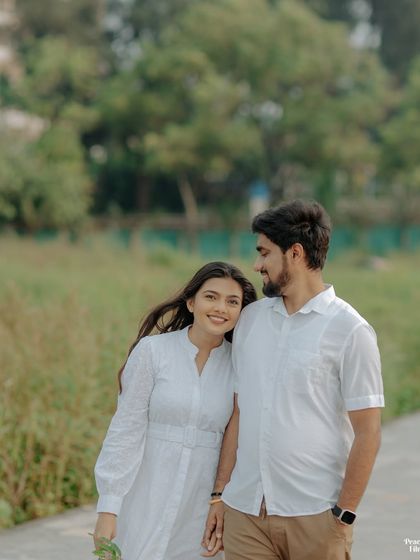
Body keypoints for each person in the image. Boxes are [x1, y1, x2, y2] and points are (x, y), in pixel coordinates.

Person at [202, 200, 384, 560]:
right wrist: (219, 493)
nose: (257, 265)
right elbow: (241, 411)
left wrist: (343, 516)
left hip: (315, 517)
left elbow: (369, 431)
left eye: (264, 253)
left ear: (295, 253)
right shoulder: (251, 320)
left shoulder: (350, 330)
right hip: (245, 514)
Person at [93, 261, 257, 560]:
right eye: (211, 297)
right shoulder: (153, 352)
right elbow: (126, 430)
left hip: (200, 508)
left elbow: (238, 442)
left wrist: (222, 500)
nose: (221, 307)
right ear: (191, 302)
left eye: (233, 302)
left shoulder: (240, 365)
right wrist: (109, 507)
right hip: (144, 498)